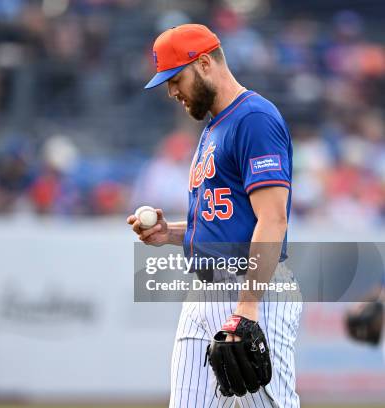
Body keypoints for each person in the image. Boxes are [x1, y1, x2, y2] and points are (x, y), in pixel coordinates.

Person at [127, 24, 301, 407]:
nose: (171, 91)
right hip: (204, 288)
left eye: (175, 78)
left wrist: (248, 307)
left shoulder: (253, 118)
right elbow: (226, 220)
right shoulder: (214, 127)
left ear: (204, 63)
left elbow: (273, 219)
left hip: (250, 286)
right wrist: (171, 233)